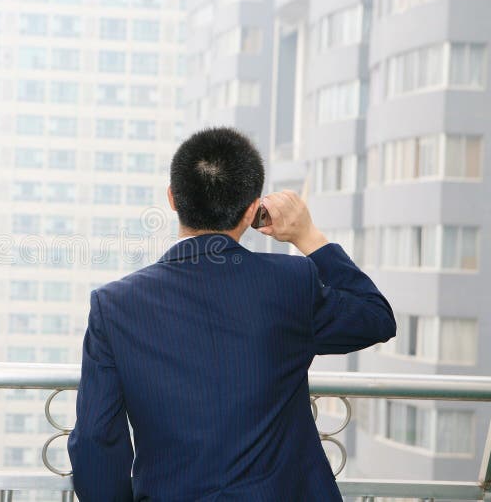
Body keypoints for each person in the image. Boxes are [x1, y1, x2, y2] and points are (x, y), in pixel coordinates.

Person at [67, 127, 396, 501]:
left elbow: (95, 438)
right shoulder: (290, 283)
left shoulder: (114, 306)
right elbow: (376, 317)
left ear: (173, 198)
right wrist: (308, 237)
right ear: (253, 210)